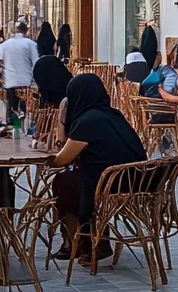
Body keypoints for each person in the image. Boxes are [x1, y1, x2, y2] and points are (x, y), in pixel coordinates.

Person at [50, 73, 147, 263]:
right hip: (138, 179)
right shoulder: (113, 114)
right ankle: (89, 239)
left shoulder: (87, 122)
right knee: (74, 179)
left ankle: (81, 241)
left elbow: (61, 160)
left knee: (64, 182)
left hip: (113, 183)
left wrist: (61, 121)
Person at [0, 21, 39, 115]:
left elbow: (0, 62)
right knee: (27, 110)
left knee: (13, 108)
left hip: (11, 81)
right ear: (26, 31)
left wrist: (2, 75)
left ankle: (13, 122)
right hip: (26, 81)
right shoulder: (31, 44)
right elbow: (36, 62)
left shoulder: (4, 45)